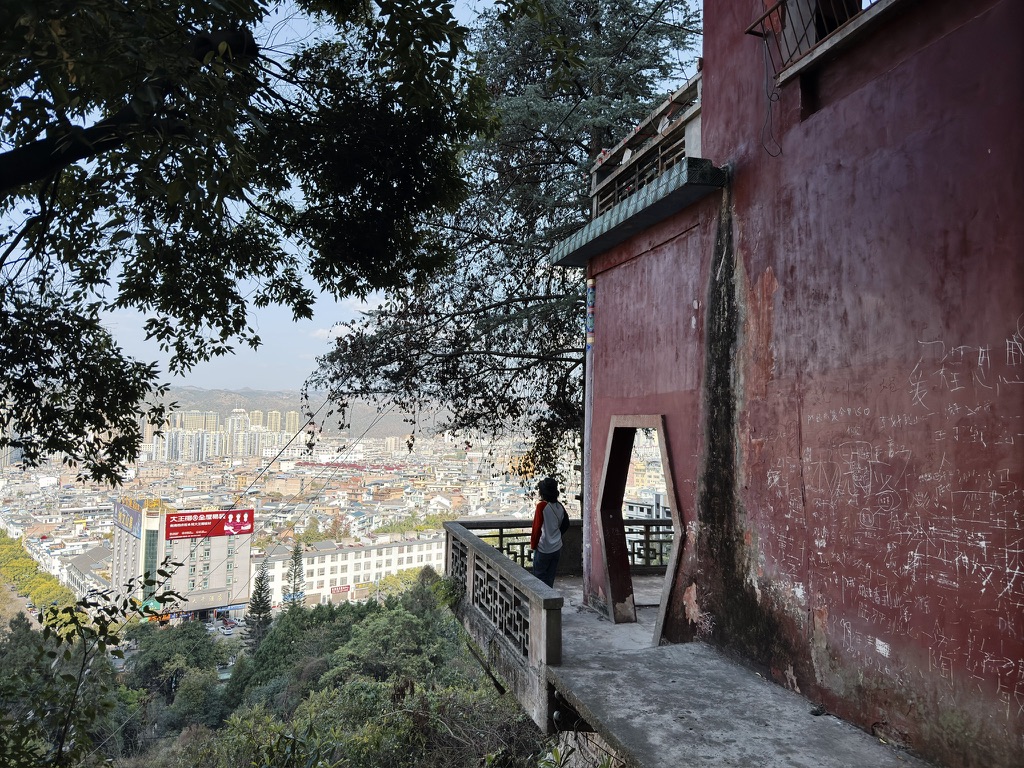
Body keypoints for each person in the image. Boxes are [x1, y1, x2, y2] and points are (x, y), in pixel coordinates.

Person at [530, 477, 566, 587]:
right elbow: (566, 524)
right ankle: (549, 601)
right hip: (557, 547)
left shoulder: (541, 506)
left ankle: (541, 604)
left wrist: (533, 545)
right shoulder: (560, 507)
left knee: (539, 579)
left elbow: (536, 529)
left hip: (543, 548)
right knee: (550, 579)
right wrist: (557, 536)